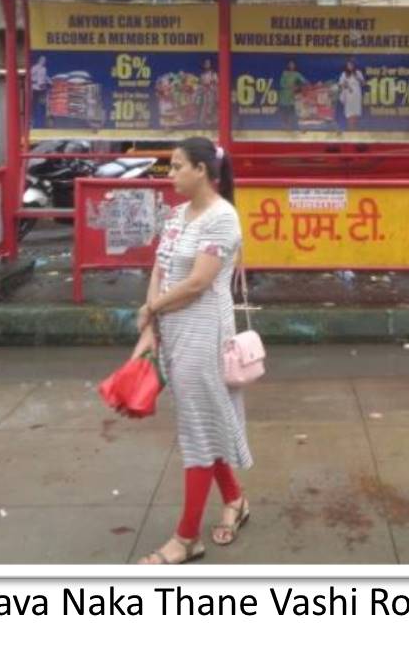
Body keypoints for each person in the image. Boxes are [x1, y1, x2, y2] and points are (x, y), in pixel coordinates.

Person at [133, 138, 251, 564]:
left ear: (202, 170)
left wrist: (151, 309)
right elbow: (161, 267)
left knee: (197, 431)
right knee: (203, 422)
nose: (170, 174)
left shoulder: (223, 218)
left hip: (204, 332)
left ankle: (186, 538)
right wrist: (152, 323)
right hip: (174, 328)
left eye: (177, 166)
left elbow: (199, 283)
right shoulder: (178, 215)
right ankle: (235, 499)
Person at [278, 59, 307, 130]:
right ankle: (284, 125)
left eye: (293, 64)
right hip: (284, 95)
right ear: (288, 65)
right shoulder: (284, 73)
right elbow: (281, 83)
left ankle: (290, 126)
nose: (291, 65)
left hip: (291, 96)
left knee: (291, 111)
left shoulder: (296, 74)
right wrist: (289, 87)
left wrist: (298, 87)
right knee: (284, 111)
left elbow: (304, 81)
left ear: (295, 65)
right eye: (290, 64)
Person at [338, 59, 366, 130]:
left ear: (354, 66)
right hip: (348, 94)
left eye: (351, 65)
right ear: (347, 66)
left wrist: (357, 78)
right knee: (349, 112)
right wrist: (346, 85)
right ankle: (350, 128)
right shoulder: (344, 74)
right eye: (348, 65)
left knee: (356, 112)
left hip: (356, 94)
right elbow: (341, 84)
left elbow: (363, 83)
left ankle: (355, 128)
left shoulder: (358, 72)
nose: (350, 67)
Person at [198, 58, 219, 128]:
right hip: (205, 93)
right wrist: (203, 87)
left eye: (208, 64)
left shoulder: (214, 74)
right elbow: (200, 83)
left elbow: (217, 83)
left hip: (212, 92)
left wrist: (211, 85)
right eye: (206, 64)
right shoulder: (202, 75)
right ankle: (204, 121)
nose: (207, 65)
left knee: (212, 106)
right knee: (205, 106)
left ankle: (212, 121)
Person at [30, 55, 50, 123]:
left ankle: (43, 119)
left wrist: (49, 81)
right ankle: (33, 119)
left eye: (44, 60)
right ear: (39, 60)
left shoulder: (44, 69)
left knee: (42, 104)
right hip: (35, 88)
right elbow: (30, 76)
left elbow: (45, 77)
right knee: (34, 104)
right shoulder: (34, 68)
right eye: (42, 60)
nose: (44, 61)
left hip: (42, 89)